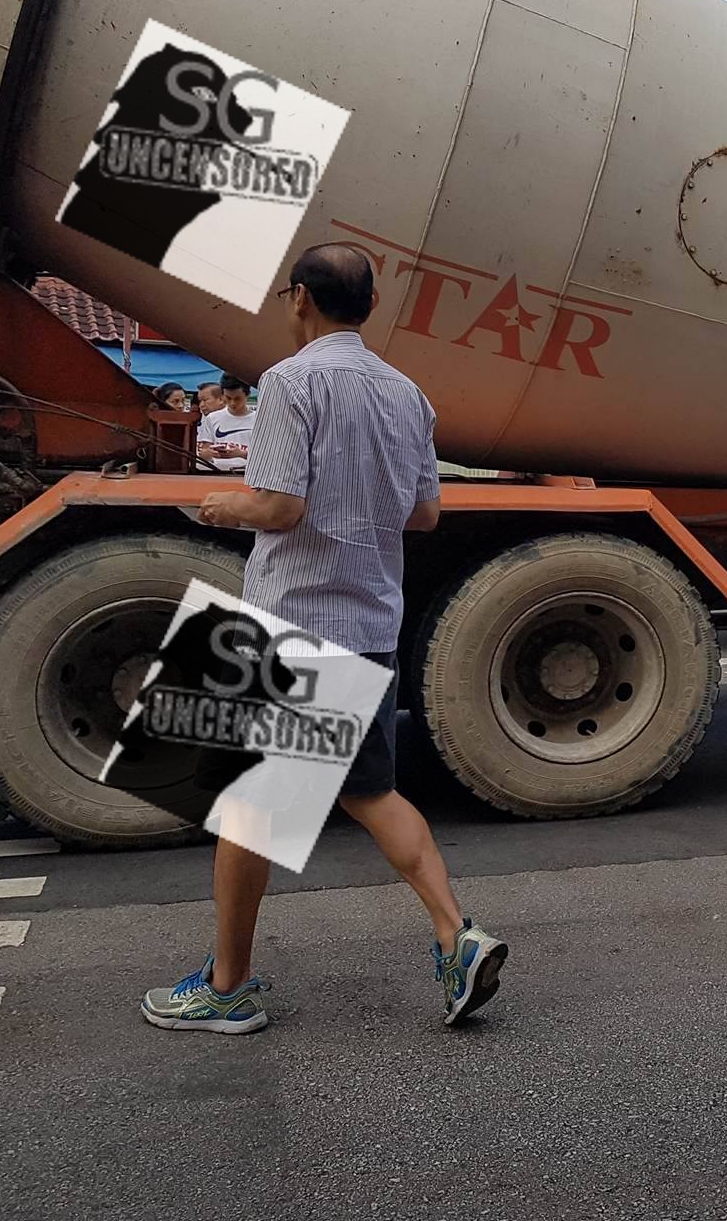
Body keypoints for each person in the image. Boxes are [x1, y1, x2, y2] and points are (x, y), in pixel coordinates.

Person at [141, 242, 506, 1034]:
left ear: (301, 298)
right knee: (370, 790)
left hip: (293, 622)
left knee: (249, 812)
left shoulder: (288, 383)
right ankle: (458, 935)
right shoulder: (408, 395)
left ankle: (228, 988)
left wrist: (221, 507)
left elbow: (278, 508)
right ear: (368, 305)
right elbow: (425, 515)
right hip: (371, 621)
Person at [196, 374, 256, 472]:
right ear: (223, 395)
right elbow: (204, 451)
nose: (232, 403)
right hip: (216, 472)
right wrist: (209, 453)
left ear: (248, 395)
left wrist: (241, 454)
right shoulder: (212, 418)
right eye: (228, 398)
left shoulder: (258, 419)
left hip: (245, 472)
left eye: (237, 399)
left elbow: (267, 455)